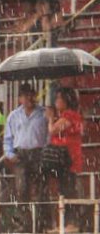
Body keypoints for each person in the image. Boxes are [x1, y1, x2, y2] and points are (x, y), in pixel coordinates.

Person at [3, 84, 49, 223]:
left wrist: (46, 151)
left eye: (31, 95)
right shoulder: (13, 116)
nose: (29, 98)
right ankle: (24, 219)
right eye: (25, 95)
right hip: (21, 155)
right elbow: (8, 138)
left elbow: (49, 135)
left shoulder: (44, 113)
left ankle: (42, 220)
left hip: (39, 153)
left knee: (41, 188)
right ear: (19, 99)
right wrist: (10, 154)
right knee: (21, 187)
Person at [46, 87, 83, 225]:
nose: (56, 101)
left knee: (68, 189)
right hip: (63, 158)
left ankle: (71, 221)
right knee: (63, 188)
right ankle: (66, 221)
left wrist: (50, 119)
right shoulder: (65, 115)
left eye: (59, 98)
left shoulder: (70, 115)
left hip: (68, 158)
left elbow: (53, 130)